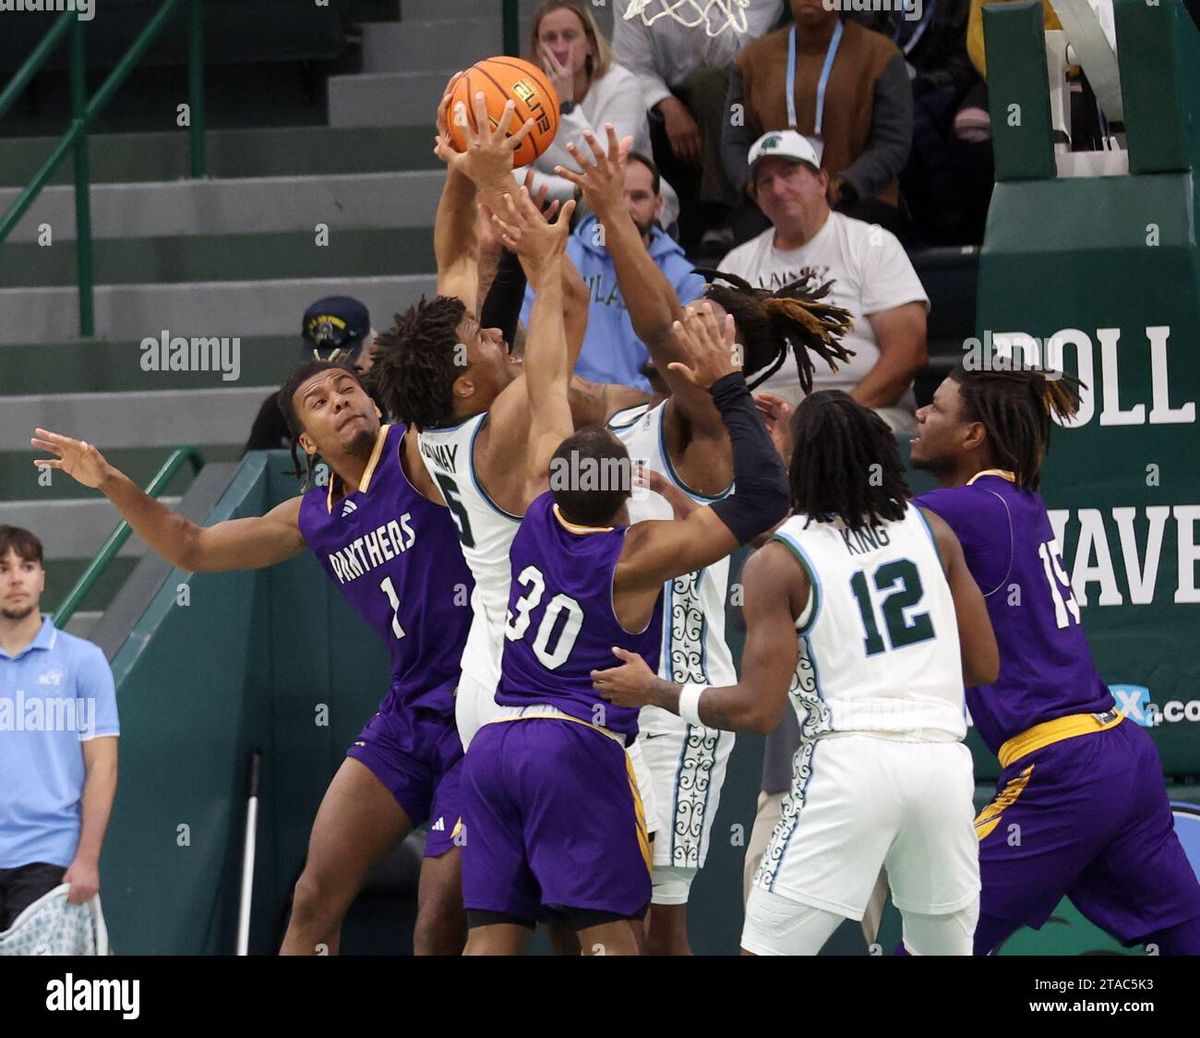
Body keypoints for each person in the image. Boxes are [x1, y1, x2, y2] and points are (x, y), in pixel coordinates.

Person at [31, 355, 475, 957]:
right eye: (319, 401)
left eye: (348, 389)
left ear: (376, 402)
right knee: (314, 897)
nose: (340, 400)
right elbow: (193, 546)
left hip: (481, 707)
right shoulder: (312, 516)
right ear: (306, 443)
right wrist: (109, 479)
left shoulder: (418, 453)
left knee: (440, 913)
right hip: (408, 713)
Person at [552, 125, 852, 954]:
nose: (685, 321)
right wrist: (515, 243)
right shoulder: (630, 412)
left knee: (659, 927)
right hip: (603, 695)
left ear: (727, 358)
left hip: (675, 708)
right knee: (594, 915)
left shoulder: (716, 434)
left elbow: (654, 328)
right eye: (690, 313)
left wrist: (617, 216)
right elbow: (536, 380)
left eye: (705, 322)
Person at [593, 390, 1000, 955]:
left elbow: (757, 710)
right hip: (943, 768)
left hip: (849, 765)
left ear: (801, 465)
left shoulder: (778, 562)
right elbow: (983, 665)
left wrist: (656, 690)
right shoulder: (934, 531)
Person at [461, 303, 791, 955]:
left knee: (492, 938)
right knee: (615, 940)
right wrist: (729, 386)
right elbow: (763, 500)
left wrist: (544, 276)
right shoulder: (633, 558)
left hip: (493, 748)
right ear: (625, 497)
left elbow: (550, 394)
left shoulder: (531, 516)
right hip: (573, 749)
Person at [909, 364, 1200, 955]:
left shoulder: (970, 509)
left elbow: (826, 538)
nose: (918, 414)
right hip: (1120, 754)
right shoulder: (1014, 497)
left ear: (973, 434)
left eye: (936, 407)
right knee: (1185, 935)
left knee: (940, 940)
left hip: (1062, 770)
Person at [719, 129, 929, 432]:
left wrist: (833, 418)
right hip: (763, 409)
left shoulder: (871, 243)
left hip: (860, 404)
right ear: (757, 198)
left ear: (821, 181)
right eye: (766, 182)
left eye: (789, 174)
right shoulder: (736, 263)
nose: (778, 189)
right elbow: (717, 355)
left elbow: (908, 352)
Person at [0, 526, 119, 934]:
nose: (16, 578)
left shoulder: (83, 661)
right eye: (2, 568)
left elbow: (102, 765)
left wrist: (87, 858)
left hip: (49, 856)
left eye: (27, 566)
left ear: (42, 577)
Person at [723, 1, 913, 241]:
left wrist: (843, 186)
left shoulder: (882, 56)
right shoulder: (748, 62)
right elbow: (735, 136)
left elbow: (893, 142)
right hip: (773, 202)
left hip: (857, 200)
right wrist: (754, 186)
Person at [520, 152, 705, 392]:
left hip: (644, 408)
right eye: (616, 196)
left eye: (638, 197)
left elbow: (682, 371)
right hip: (568, 396)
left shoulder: (686, 278)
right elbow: (530, 341)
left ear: (658, 205)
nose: (625, 208)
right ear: (597, 199)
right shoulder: (562, 256)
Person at [612, 0, 785, 252]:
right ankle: (650, 220)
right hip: (667, 97)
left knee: (707, 83)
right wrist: (667, 104)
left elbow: (732, 54)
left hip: (744, 89)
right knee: (630, 101)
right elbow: (633, 66)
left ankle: (722, 212)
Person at [520, 0, 679, 231]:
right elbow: (509, 172)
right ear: (537, 48)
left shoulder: (622, 86)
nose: (560, 48)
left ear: (591, 44)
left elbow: (604, 167)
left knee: (598, 202)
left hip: (626, 201)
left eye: (569, 36)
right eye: (550, 38)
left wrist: (567, 107)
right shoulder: (525, 94)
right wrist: (575, 190)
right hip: (558, 200)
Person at [244, 296, 378, 453]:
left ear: (372, 351)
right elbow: (254, 467)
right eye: (318, 363)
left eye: (344, 366)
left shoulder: (395, 395)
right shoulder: (278, 409)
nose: (326, 374)